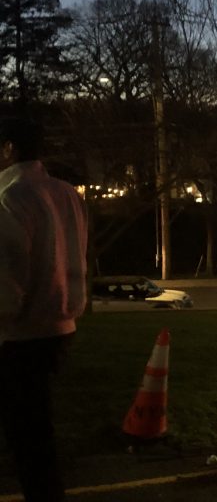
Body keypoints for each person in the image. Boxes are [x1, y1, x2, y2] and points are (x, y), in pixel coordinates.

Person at [0, 117, 88, 502]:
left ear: (8, 149)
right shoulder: (67, 193)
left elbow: (6, 281)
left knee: (28, 440)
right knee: (36, 434)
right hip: (60, 329)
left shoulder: (9, 198)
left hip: (17, 336)